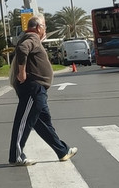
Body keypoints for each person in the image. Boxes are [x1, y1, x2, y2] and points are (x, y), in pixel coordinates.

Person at [9, 14, 78, 166]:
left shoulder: (33, 39)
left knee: (44, 123)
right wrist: (22, 72)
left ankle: (62, 151)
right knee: (24, 122)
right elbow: (22, 49)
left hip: (38, 90)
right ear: (39, 27)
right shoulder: (32, 38)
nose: (45, 30)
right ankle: (16, 156)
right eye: (44, 27)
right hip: (32, 88)